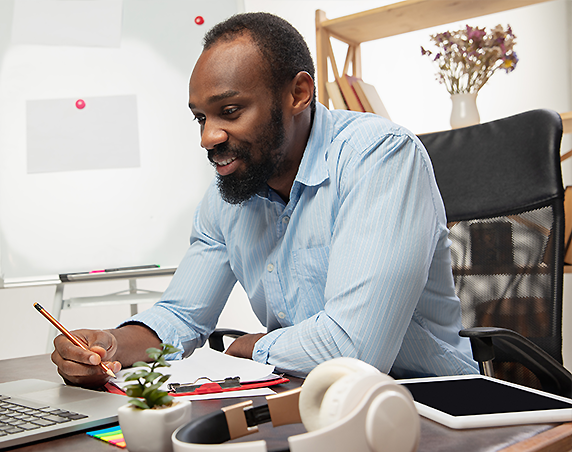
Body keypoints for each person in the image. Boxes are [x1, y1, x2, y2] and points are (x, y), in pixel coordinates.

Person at [52, 12, 478, 388]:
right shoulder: (226, 197)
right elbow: (181, 316)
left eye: (230, 111)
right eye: (201, 118)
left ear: (298, 94)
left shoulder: (379, 157)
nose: (208, 137)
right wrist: (109, 346)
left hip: (426, 401)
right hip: (305, 398)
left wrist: (257, 347)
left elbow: (356, 349)